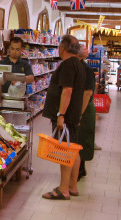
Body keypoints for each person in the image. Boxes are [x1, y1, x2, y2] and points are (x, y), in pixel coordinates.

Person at [42, 35, 86, 200]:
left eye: (59, 46)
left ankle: (63, 189)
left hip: (65, 116)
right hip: (73, 115)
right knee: (73, 150)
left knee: (65, 152)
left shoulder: (68, 65)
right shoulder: (78, 64)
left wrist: (61, 115)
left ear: (63, 48)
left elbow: (67, 91)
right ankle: (72, 186)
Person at [77, 45, 96, 180]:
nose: (86, 50)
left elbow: (88, 93)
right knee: (78, 139)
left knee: (82, 138)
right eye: (83, 48)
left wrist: (80, 113)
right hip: (79, 108)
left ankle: (79, 169)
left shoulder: (87, 69)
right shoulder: (77, 67)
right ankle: (80, 169)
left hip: (84, 108)